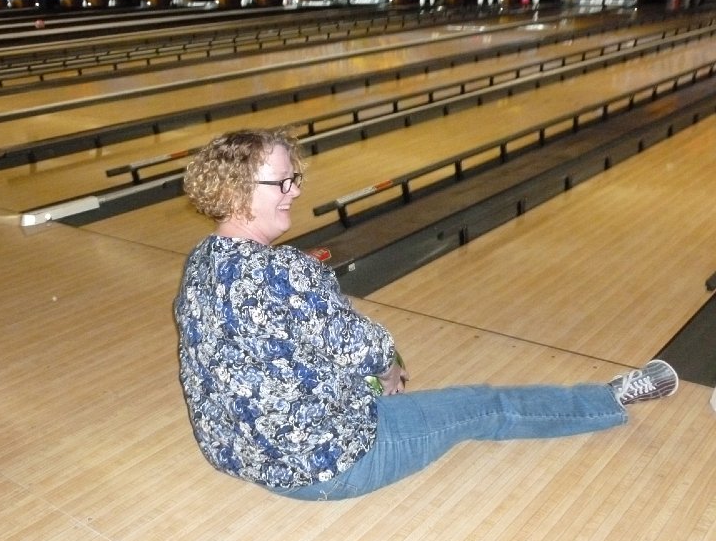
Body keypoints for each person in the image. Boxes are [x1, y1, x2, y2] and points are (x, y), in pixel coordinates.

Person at [173, 128, 679, 501]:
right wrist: (390, 369)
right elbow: (370, 348)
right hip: (324, 466)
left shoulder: (200, 261)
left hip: (240, 453)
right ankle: (609, 397)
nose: (296, 191)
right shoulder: (284, 270)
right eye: (283, 182)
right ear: (237, 192)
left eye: (295, 179)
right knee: (483, 405)